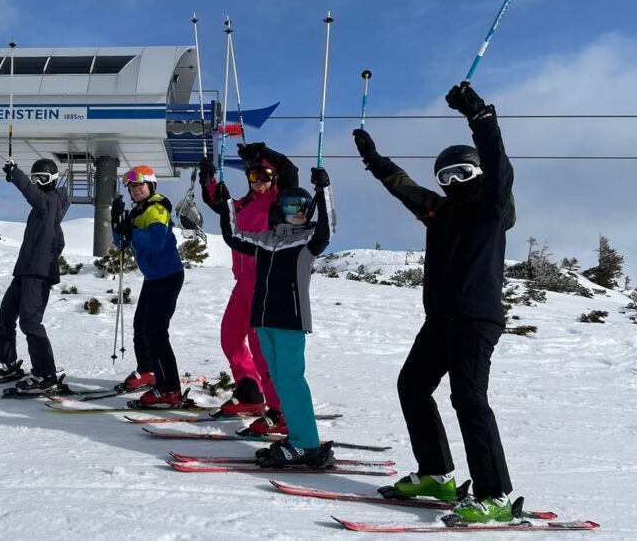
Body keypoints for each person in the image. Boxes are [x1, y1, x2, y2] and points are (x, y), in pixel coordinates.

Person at [352, 82, 516, 523]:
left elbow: (500, 167)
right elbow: (402, 186)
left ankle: (495, 495)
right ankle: (436, 474)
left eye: (463, 173)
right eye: (446, 177)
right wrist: (373, 159)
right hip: (441, 319)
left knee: (469, 400)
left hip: (476, 318)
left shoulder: (491, 210)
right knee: (412, 386)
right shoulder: (439, 213)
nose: (454, 182)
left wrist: (479, 117)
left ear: (479, 174)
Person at [217, 166, 334, 467]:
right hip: (263, 320)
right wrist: (226, 203)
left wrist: (324, 191)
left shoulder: (308, 241)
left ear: (308, 211)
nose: (295, 212)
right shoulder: (266, 241)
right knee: (279, 382)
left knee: (292, 380)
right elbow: (232, 236)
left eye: (301, 207)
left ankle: (307, 443)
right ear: (279, 210)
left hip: (289, 320)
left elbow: (328, 229)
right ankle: (296, 438)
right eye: (288, 206)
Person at [199, 141, 299, 433]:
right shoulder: (242, 204)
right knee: (230, 337)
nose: (259, 182)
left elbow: (290, 171)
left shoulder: (279, 202)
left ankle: (280, 411)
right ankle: (249, 393)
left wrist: (266, 152)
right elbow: (220, 205)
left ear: (273, 180)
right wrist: (209, 182)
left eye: (265, 177)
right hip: (242, 282)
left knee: (261, 347)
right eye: (254, 177)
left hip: (265, 281)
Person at [0, 158, 69, 392]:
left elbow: (34, 196)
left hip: (37, 274)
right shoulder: (47, 212)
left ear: (52, 179)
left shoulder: (50, 202)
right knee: (5, 317)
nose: (37, 183)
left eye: (41, 178)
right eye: (34, 178)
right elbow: (59, 241)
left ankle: (45, 375)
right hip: (24, 271)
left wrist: (15, 174)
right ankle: (5, 362)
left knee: (30, 323)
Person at [112, 165, 187, 408]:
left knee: (155, 331)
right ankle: (148, 371)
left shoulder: (156, 208)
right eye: (131, 187)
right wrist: (117, 223)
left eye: (139, 185)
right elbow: (120, 243)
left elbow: (156, 241)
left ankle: (169, 389)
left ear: (151, 185)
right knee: (141, 327)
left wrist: (131, 230)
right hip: (153, 277)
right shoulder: (138, 211)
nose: (135, 190)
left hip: (167, 276)